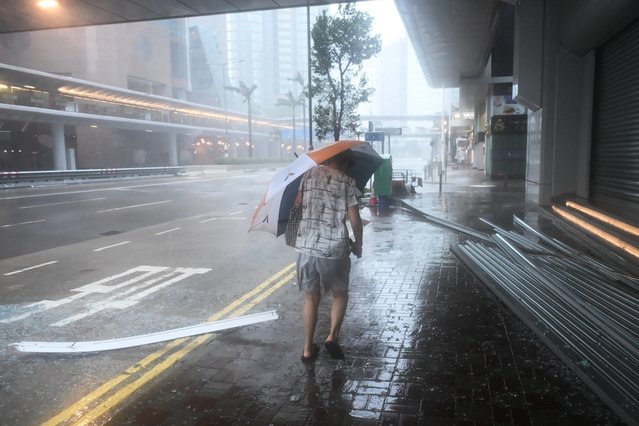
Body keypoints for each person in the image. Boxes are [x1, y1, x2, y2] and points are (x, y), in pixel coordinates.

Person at [294, 149, 363, 363]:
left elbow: (297, 204)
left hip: (306, 247)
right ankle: (332, 336)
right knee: (339, 294)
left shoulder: (308, 175)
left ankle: (307, 349)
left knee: (310, 298)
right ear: (344, 164)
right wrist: (358, 243)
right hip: (334, 249)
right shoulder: (347, 182)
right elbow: (355, 220)